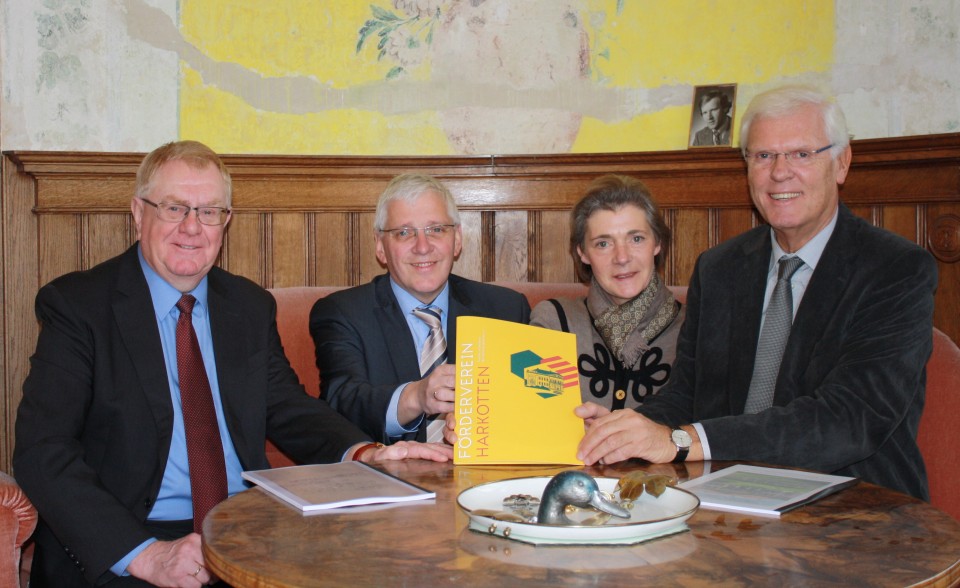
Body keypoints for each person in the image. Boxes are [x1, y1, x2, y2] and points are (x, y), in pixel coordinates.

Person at [13, 141, 452, 588]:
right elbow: (42, 450)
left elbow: (287, 408)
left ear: (226, 221)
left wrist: (369, 454)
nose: (192, 227)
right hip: (128, 541)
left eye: (209, 212)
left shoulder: (245, 305)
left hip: (244, 528)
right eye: (174, 208)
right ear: (138, 213)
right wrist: (146, 556)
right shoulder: (78, 305)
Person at [577, 85, 937, 500]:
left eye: (802, 154)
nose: (780, 172)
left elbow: (850, 418)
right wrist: (623, 431)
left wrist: (681, 441)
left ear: (841, 163)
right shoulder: (720, 268)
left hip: (853, 508)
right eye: (763, 156)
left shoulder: (895, 270)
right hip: (723, 503)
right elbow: (687, 395)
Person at [310, 173, 531, 444]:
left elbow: (529, 406)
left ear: (457, 240)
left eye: (436, 229)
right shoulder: (343, 313)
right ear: (381, 247)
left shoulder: (506, 309)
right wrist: (416, 396)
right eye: (404, 233)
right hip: (390, 479)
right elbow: (343, 403)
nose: (423, 247)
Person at [530, 175, 684, 410]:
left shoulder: (693, 327)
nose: (622, 257)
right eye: (603, 243)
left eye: (636, 239)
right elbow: (535, 413)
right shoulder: (555, 322)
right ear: (582, 253)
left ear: (657, 243)